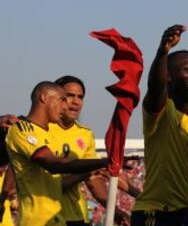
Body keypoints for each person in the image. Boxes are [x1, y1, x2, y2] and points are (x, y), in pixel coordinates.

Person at [5, 81, 108, 226]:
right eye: (62, 100)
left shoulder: (49, 135)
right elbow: (53, 164)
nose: (65, 106)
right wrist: (102, 162)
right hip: (36, 221)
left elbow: (58, 182)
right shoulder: (22, 129)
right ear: (44, 97)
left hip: (57, 219)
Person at [131, 24, 188, 226]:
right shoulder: (161, 109)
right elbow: (156, 87)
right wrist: (163, 51)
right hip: (156, 213)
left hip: (184, 214)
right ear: (168, 75)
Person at [53, 75, 137, 226]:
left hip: (77, 217)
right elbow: (54, 185)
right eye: (70, 96)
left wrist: (117, 211)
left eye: (80, 97)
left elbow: (93, 181)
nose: (76, 101)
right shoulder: (40, 130)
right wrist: (92, 169)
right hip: (45, 218)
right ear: (55, 98)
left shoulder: (85, 135)